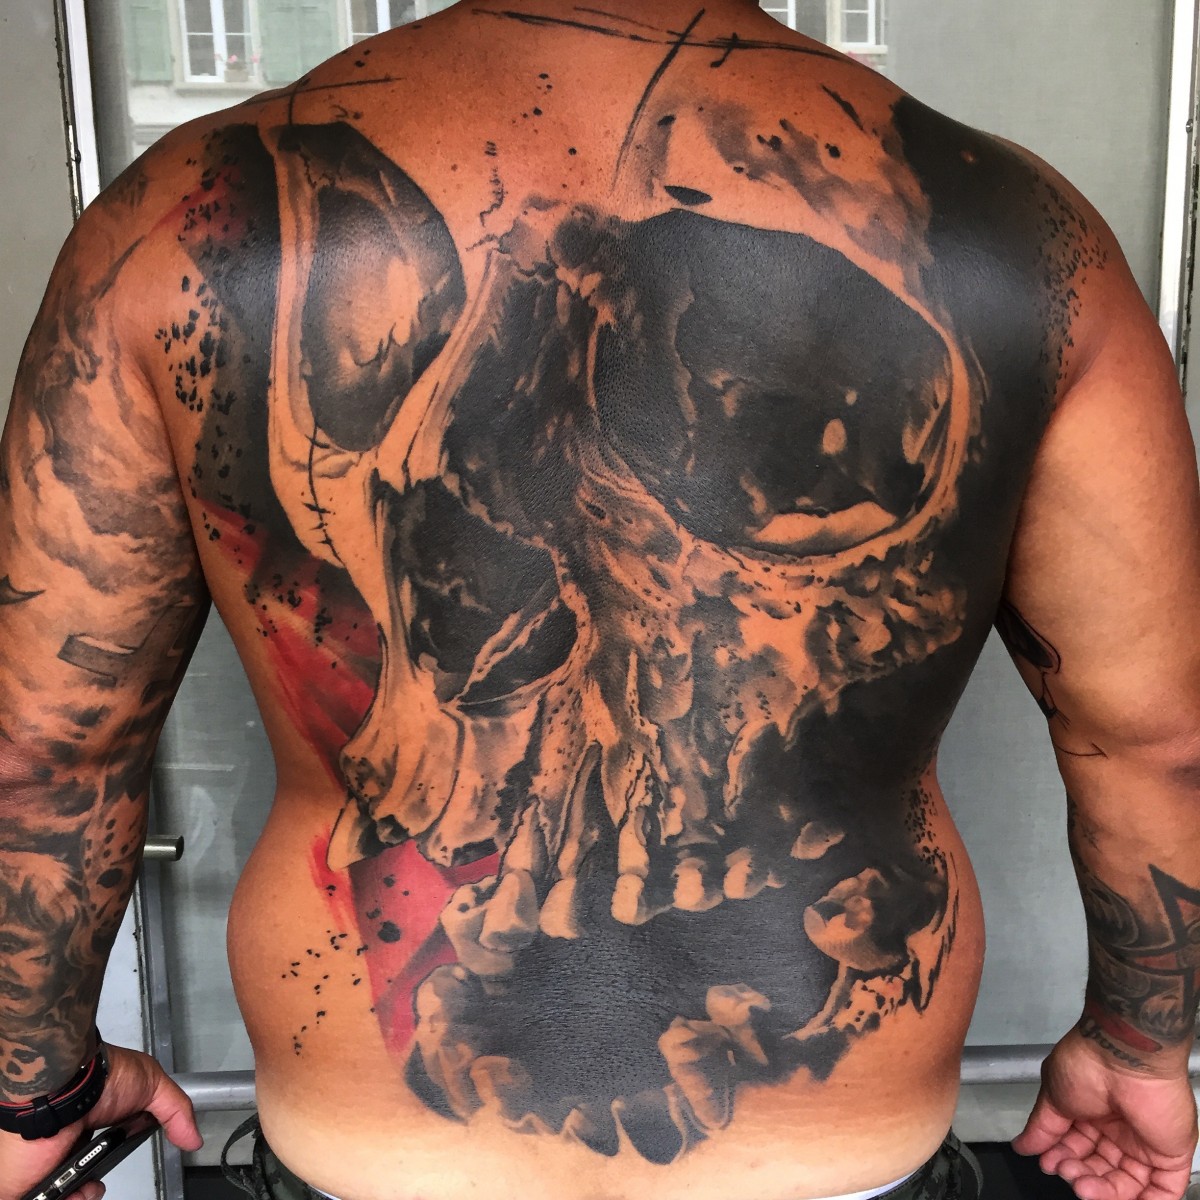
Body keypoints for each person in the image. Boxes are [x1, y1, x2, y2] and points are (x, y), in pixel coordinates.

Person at [1, 2, 1198, 1199]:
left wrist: (35, 1087)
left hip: (371, 1148)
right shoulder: (1028, 247)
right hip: (838, 1148)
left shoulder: (162, 235)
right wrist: (1139, 1048)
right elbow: (1156, 741)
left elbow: (50, 751)